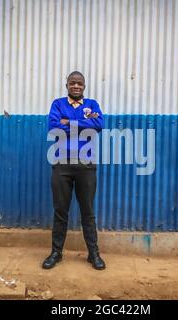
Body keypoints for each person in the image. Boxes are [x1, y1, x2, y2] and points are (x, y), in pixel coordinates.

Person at [43, 71, 106, 270]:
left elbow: (99, 125)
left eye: (79, 83)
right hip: (62, 164)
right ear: (67, 85)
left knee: (87, 212)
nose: (76, 86)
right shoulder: (58, 104)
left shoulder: (92, 105)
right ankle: (56, 253)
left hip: (86, 166)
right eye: (72, 83)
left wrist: (68, 122)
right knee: (60, 211)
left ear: (84, 86)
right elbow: (53, 127)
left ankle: (93, 254)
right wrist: (83, 125)